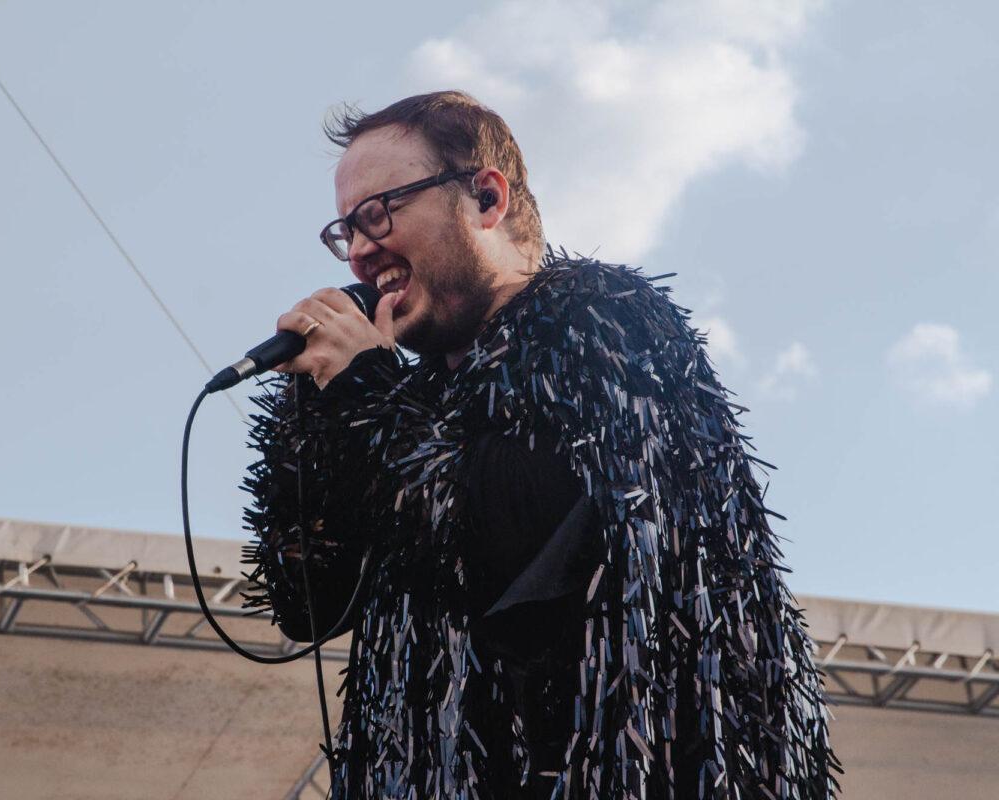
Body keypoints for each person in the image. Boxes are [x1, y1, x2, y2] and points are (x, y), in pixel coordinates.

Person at [241, 90, 842, 799]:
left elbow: (514, 543)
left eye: (379, 212)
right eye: (346, 231)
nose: (362, 250)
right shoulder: (409, 398)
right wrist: (313, 409)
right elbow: (307, 601)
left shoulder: (604, 321)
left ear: (486, 199)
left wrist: (364, 388)